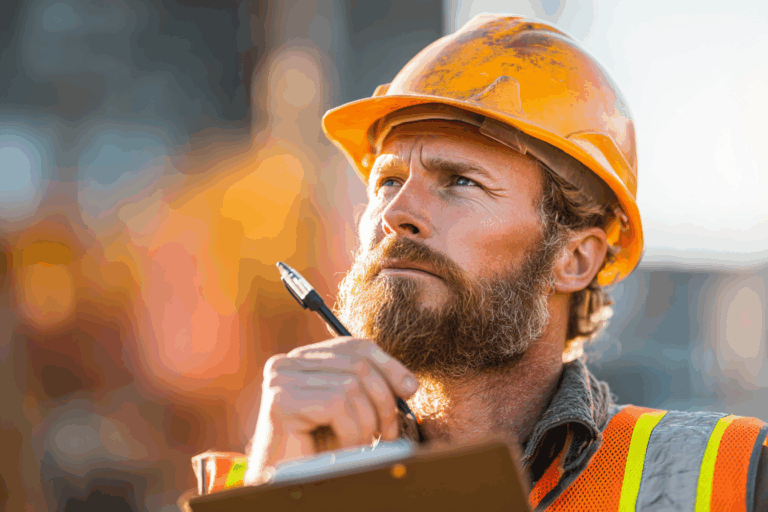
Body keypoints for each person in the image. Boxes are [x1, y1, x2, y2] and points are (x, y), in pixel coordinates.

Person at [204, 14, 768, 510]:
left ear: (574, 258)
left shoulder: (732, 478)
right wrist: (276, 497)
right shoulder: (263, 476)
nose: (395, 214)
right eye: (388, 181)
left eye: (459, 182)